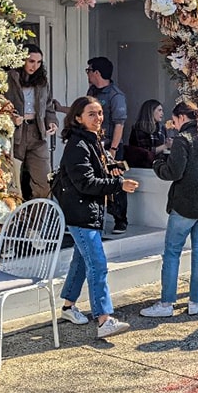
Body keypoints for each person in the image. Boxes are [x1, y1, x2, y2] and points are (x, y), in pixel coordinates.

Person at [54, 96, 139, 338]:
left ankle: (69, 306)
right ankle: (104, 319)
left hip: (89, 212)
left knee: (81, 261)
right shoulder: (77, 145)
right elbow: (85, 182)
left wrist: (114, 170)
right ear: (78, 118)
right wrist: (118, 184)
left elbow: (93, 173)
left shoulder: (92, 141)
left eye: (100, 113)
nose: (98, 118)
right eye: (92, 114)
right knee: (97, 265)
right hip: (81, 213)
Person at [140, 101, 198, 318]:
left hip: (184, 206)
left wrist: (157, 164)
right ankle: (195, 301)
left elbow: (173, 172)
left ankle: (167, 304)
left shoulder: (183, 140)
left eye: (175, 119)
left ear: (182, 117)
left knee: (172, 253)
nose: (175, 124)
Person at [5, 44, 58, 200]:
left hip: (37, 133)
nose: (35, 66)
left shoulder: (42, 82)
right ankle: (15, 219)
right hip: (16, 133)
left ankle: (39, 219)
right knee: (13, 180)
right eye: (31, 61)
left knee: (43, 179)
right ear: (22, 60)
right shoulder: (10, 78)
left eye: (39, 62)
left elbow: (48, 106)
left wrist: (52, 122)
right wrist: (11, 118)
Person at [86, 57, 129, 233]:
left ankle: (121, 220)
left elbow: (120, 124)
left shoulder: (115, 95)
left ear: (96, 72)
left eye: (88, 70)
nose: (87, 74)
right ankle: (96, 217)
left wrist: (113, 149)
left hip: (112, 146)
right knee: (95, 180)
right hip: (94, 144)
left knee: (116, 181)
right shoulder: (92, 91)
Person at [126, 99, 171, 168]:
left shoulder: (162, 128)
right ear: (151, 111)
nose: (162, 113)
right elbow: (144, 152)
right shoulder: (139, 128)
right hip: (142, 167)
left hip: (159, 165)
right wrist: (165, 146)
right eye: (159, 110)